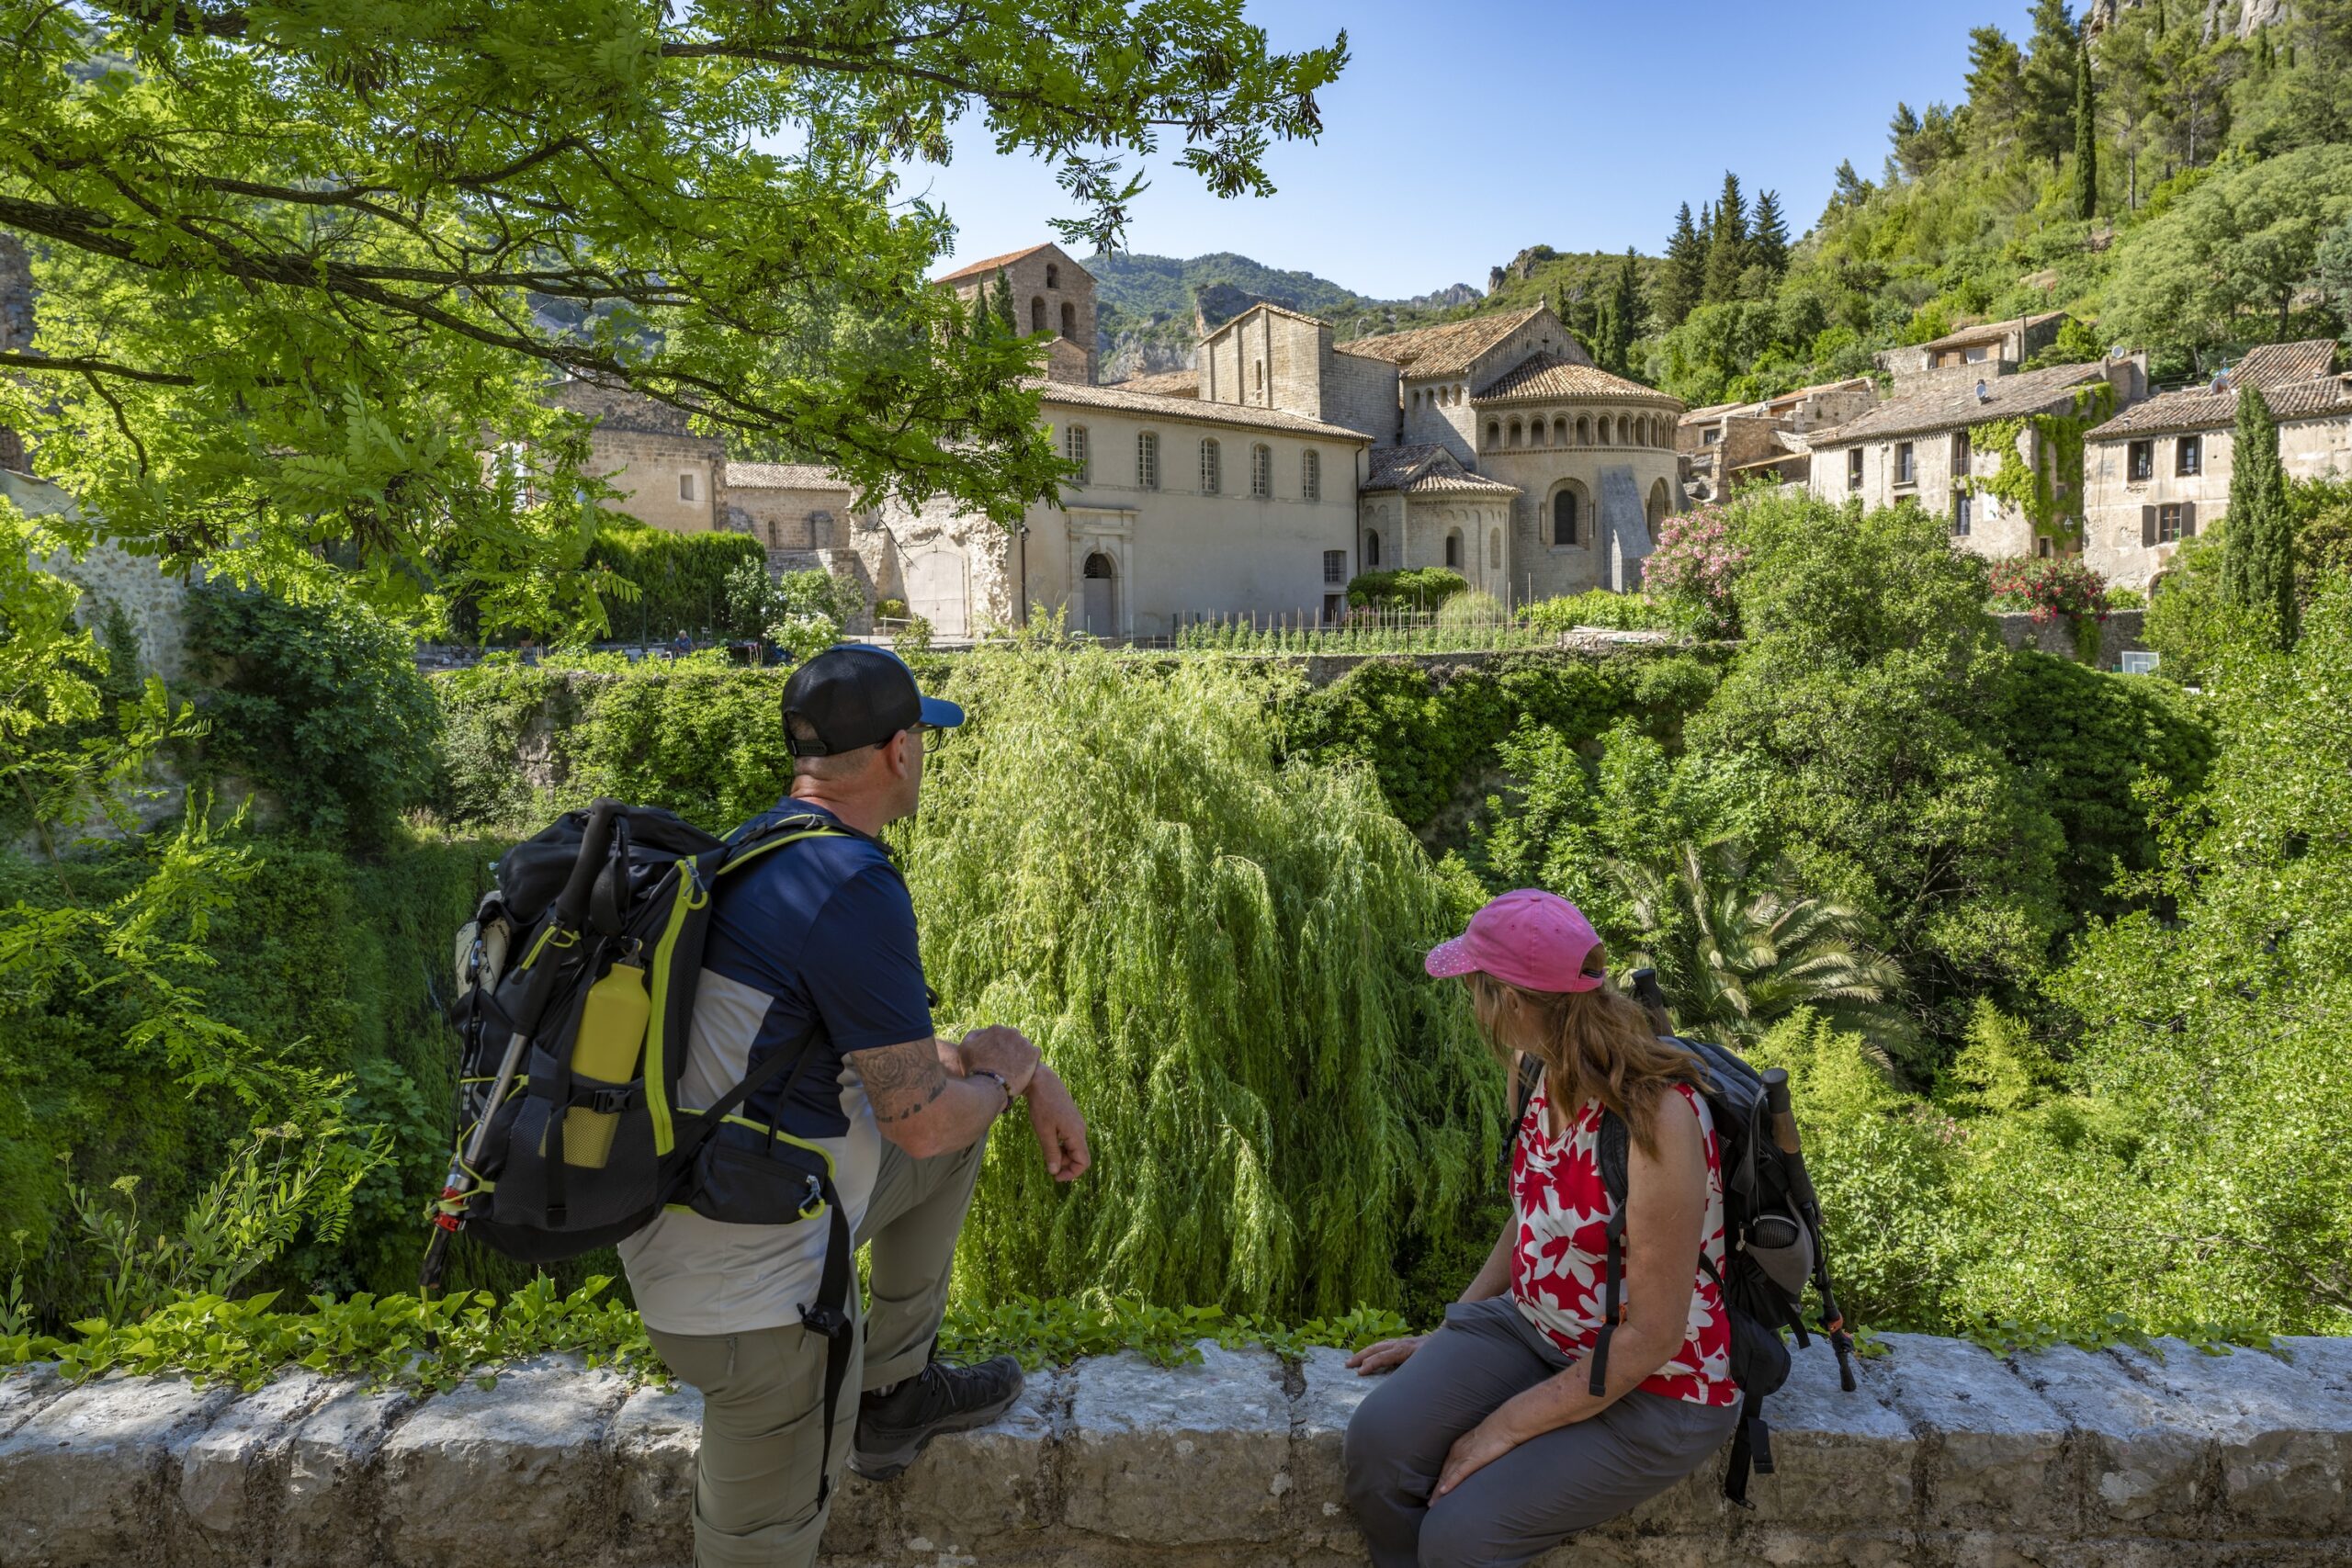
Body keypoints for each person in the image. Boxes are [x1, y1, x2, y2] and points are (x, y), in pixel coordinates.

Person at [617, 644, 1092, 1568]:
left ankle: (890, 1398)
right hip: (747, 1295)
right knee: (759, 1547)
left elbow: (872, 1068)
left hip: (689, 1215)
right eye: (919, 736)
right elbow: (921, 1115)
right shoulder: (851, 886)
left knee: (952, 1139)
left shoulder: (767, 851)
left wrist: (1018, 1075)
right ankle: (841, 1409)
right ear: (899, 752)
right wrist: (1002, 1085)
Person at [1341, 889, 1739, 1568]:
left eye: (1475, 987)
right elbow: (1533, 1215)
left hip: (1658, 1385)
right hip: (1537, 1328)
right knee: (1378, 1443)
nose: (1473, 1006)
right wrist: (1452, 1329)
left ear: (1510, 1002)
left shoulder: (1656, 1117)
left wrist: (1499, 1427)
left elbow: (1652, 1335)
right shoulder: (1536, 1072)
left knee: (1464, 1537)